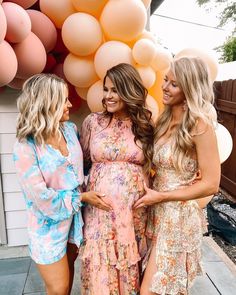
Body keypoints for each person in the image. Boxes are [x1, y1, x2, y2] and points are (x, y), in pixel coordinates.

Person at [13, 74, 111, 295]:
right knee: (58, 288)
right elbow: (42, 199)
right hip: (47, 229)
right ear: (47, 104)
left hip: (74, 222)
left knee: (66, 284)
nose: (69, 104)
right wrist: (83, 198)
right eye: (63, 100)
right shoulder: (25, 147)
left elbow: (85, 166)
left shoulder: (70, 130)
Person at [133, 57, 221, 295]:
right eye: (165, 80)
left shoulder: (200, 126)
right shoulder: (162, 120)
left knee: (151, 290)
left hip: (178, 217)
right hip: (156, 212)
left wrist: (162, 196)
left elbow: (211, 184)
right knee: (165, 288)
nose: (164, 86)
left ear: (189, 88)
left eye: (174, 84)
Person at [79, 63, 154, 295]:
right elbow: (82, 162)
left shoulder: (144, 125)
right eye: (106, 89)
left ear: (129, 90)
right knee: (101, 263)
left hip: (134, 212)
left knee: (131, 261)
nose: (109, 96)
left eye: (115, 90)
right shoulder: (93, 122)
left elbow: (158, 164)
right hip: (100, 211)